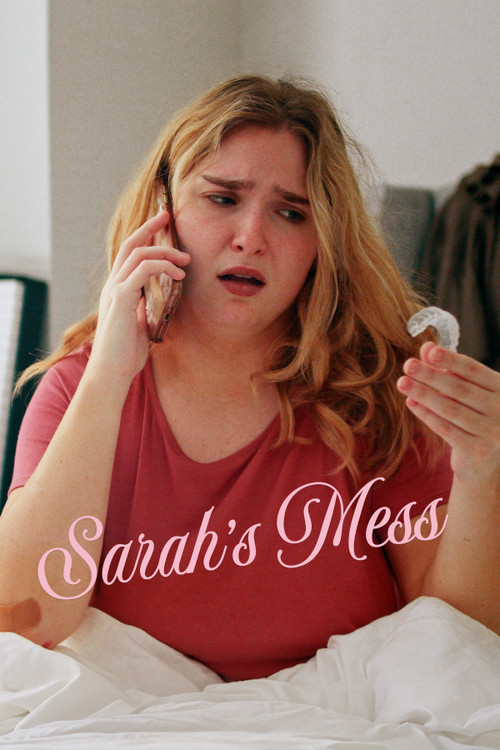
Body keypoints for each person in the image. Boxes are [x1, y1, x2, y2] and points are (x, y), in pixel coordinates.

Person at [0, 75, 498, 682]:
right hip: (133, 720)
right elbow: (22, 621)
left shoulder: (378, 395)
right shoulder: (77, 388)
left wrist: (481, 473)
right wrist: (107, 375)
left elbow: (459, 637)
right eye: (222, 199)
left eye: (291, 213)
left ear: (324, 243)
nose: (251, 238)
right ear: (162, 213)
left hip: (336, 722)